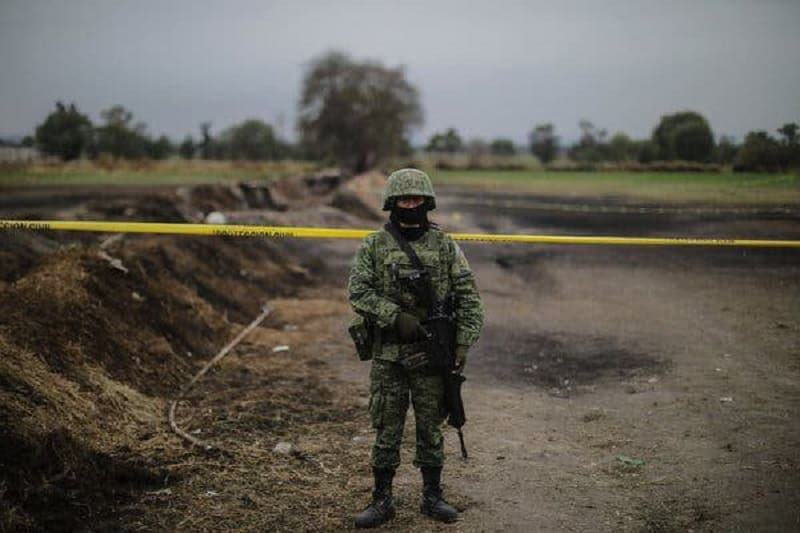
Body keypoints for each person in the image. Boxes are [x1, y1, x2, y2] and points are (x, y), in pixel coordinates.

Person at [347, 168, 484, 528]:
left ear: (427, 202)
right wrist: (395, 317)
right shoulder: (374, 245)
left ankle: (433, 495)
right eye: (404, 199)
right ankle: (381, 499)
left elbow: (469, 296)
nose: (411, 205)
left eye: (417, 199)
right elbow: (358, 293)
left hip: (431, 356)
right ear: (392, 202)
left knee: (430, 428)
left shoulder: (445, 246)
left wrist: (464, 342)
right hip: (389, 355)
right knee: (386, 428)